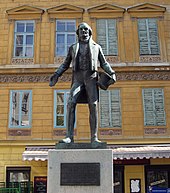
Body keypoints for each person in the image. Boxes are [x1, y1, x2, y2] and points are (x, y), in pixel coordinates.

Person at [49, 22, 116, 144]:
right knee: (70, 103)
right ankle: (69, 136)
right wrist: (57, 74)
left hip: (91, 78)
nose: (84, 32)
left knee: (94, 106)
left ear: (89, 32)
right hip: (78, 78)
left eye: (86, 30)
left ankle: (94, 138)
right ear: (78, 33)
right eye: (81, 30)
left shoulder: (97, 47)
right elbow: (65, 64)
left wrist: (112, 73)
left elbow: (104, 63)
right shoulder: (73, 48)